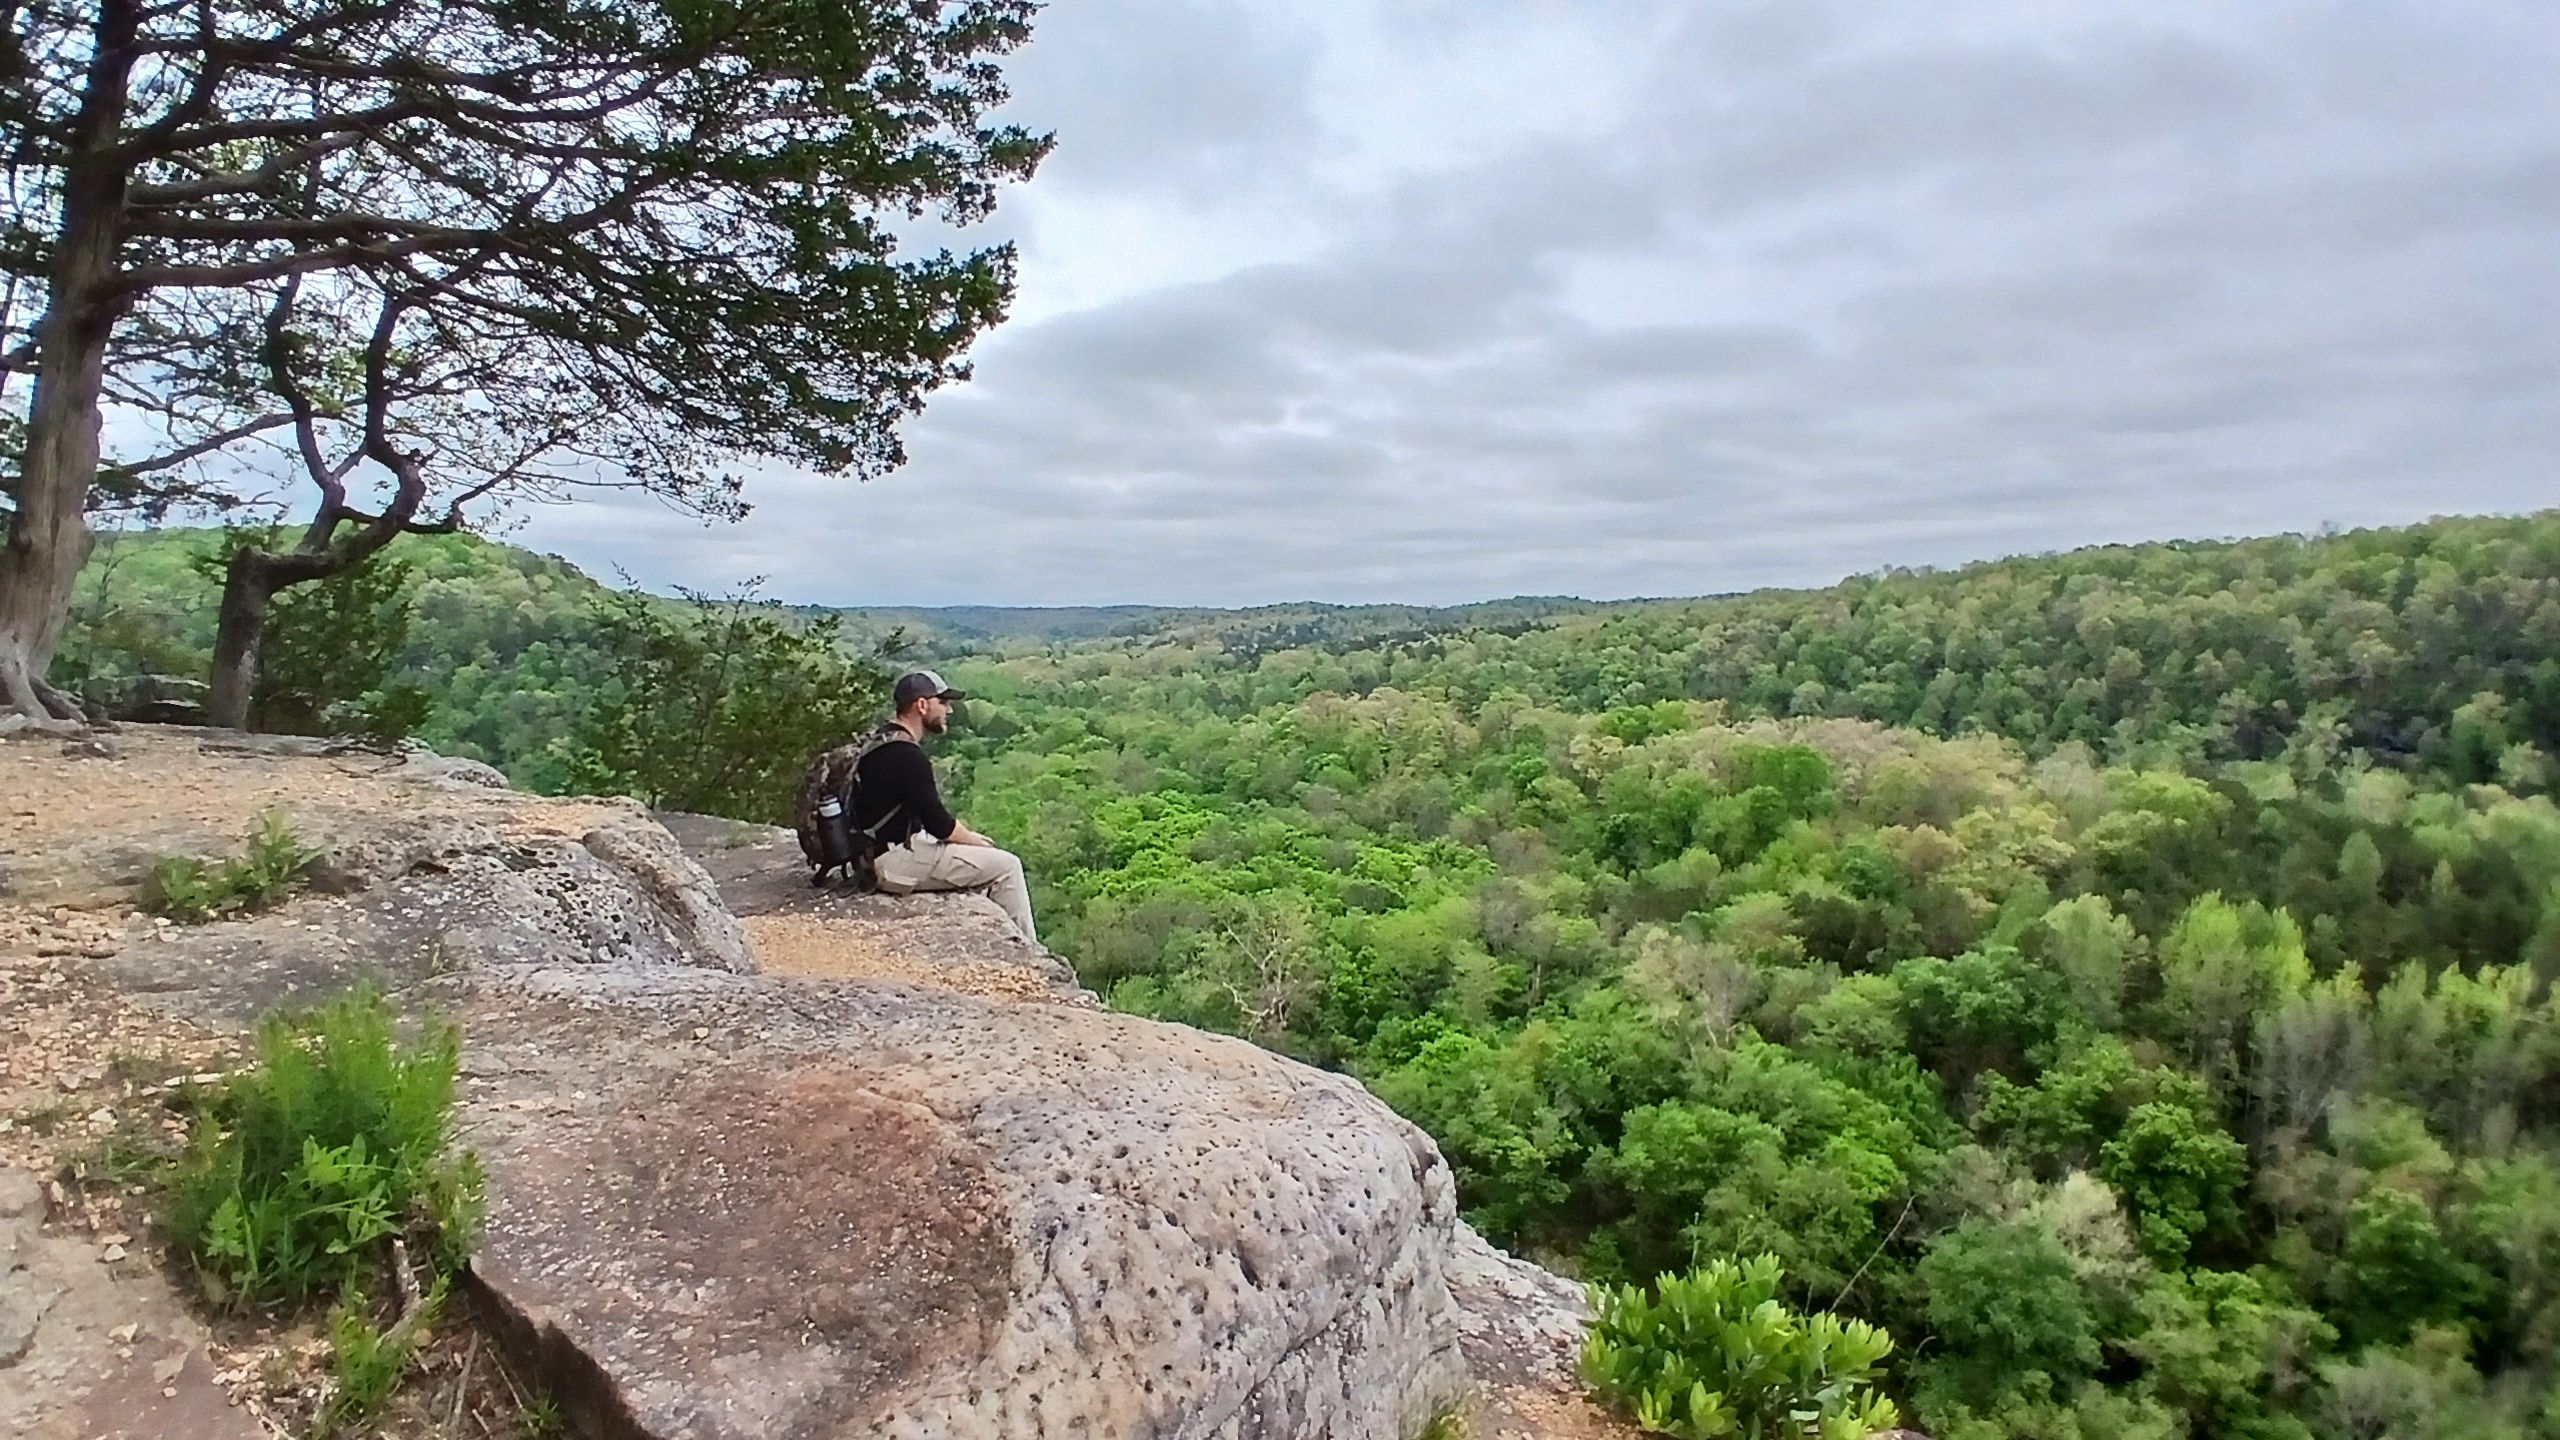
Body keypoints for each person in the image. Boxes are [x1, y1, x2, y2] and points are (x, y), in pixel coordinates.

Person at [853, 669, 1040, 944]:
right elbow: (940, 825)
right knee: (1007, 866)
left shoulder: (881, 741)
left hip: (872, 851)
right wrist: (976, 843)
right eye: (943, 702)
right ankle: (1030, 955)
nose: (949, 710)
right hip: (892, 862)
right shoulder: (907, 756)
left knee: (975, 858)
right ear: (922, 705)